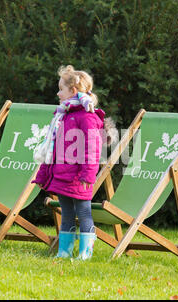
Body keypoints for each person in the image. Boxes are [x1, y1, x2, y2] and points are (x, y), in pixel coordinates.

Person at [32, 65, 117, 260]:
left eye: (61, 88)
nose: (57, 92)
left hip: (79, 177)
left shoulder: (87, 117)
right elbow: (53, 148)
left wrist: (88, 174)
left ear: (73, 91)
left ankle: (85, 254)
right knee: (67, 213)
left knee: (84, 212)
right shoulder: (63, 115)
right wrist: (45, 173)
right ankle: (64, 252)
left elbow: (92, 150)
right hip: (63, 175)